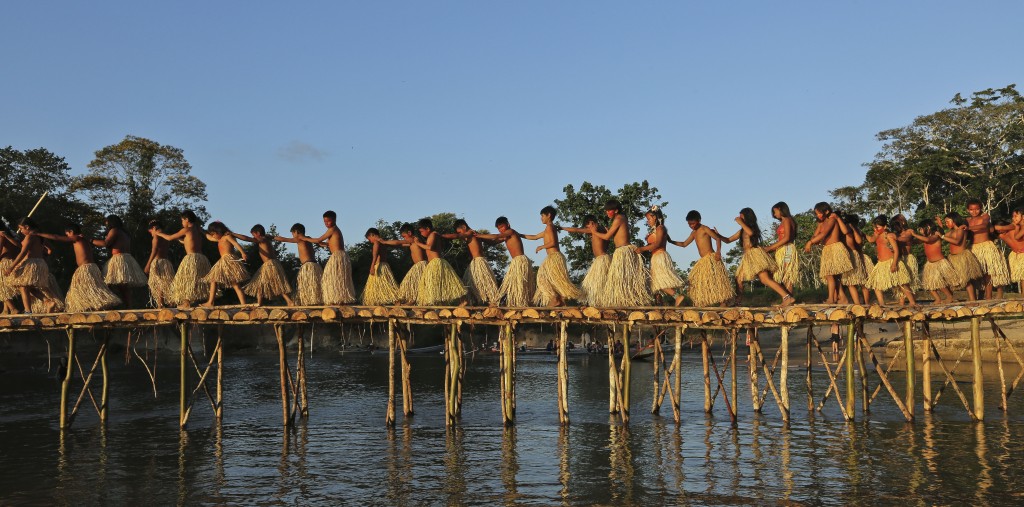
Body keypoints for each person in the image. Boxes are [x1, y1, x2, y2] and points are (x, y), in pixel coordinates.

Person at [35, 223, 122, 313]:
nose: (67, 236)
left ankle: (99, 306)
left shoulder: (77, 238)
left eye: (67, 234)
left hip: (86, 269)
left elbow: (56, 237)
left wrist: (38, 234)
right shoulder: (82, 239)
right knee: (87, 289)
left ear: (71, 232)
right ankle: (95, 306)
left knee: (80, 290)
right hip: (89, 268)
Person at [723, 208, 794, 306]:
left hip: (755, 255)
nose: (739, 218)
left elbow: (750, 233)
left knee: (765, 279)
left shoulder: (751, 228)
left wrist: (740, 223)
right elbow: (728, 240)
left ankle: (787, 297)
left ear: (747, 216)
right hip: (747, 257)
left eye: (741, 216)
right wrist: (716, 235)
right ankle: (737, 302)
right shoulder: (742, 230)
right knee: (738, 278)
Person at [589, 199, 652, 307]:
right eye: (606, 211)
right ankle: (625, 302)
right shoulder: (621, 218)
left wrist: (594, 232)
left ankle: (626, 303)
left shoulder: (619, 218)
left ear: (616, 210)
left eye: (609, 210)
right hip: (621, 251)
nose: (607, 213)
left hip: (623, 252)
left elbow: (607, 236)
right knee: (620, 281)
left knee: (621, 281)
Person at [670, 210, 735, 307]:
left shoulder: (705, 229)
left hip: (711, 258)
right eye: (689, 224)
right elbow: (684, 244)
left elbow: (717, 238)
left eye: (693, 223)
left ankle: (724, 302)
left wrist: (718, 252)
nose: (691, 226)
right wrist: (671, 241)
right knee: (697, 281)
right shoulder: (693, 233)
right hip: (703, 261)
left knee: (717, 281)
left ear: (699, 220)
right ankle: (702, 302)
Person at [522, 206, 581, 307]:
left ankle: (555, 298)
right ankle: (560, 302)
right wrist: (519, 235)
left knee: (541, 278)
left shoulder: (550, 227)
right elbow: (535, 237)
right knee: (555, 282)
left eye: (542, 216)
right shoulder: (548, 228)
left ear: (549, 215)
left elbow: (553, 242)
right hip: (553, 258)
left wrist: (542, 247)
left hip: (554, 257)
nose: (541, 218)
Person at [155, 210, 211, 307]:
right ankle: (192, 301)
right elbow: (187, 241)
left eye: (182, 220)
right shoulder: (198, 229)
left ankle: (186, 303)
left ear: (187, 219)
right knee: (193, 280)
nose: (182, 223)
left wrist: (159, 233)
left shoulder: (186, 230)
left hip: (191, 258)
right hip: (202, 258)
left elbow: (169, 238)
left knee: (184, 279)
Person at [475, 217, 535, 306]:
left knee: (519, 284)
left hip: (520, 261)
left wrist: (479, 235)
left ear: (508, 224)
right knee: (512, 284)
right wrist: (480, 238)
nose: (501, 230)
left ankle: (521, 304)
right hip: (516, 262)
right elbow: (492, 242)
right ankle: (514, 303)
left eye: (502, 227)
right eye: (499, 228)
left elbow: (496, 236)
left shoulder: (511, 232)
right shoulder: (506, 236)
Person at [4, 218, 60, 313]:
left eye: (22, 229)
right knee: (28, 287)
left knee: (22, 286)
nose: (21, 231)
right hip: (40, 262)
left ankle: (28, 311)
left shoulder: (30, 236)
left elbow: (23, 252)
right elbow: (50, 249)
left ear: (27, 227)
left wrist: (11, 267)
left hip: (31, 263)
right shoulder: (40, 236)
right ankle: (47, 302)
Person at [92, 214, 147, 308]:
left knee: (107, 283)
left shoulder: (114, 230)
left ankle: (109, 305)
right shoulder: (125, 233)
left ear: (111, 222)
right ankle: (128, 307)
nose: (106, 225)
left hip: (119, 259)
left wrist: (91, 240)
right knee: (123, 287)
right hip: (127, 259)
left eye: (107, 223)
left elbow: (106, 243)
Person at [302, 210, 356, 305]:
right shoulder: (333, 230)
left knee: (333, 278)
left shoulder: (333, 229)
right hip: (337, 256)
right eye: (325, 222)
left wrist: (305, 238)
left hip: (338, 256)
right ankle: (338, 299)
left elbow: (319, 239)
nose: (326, 224)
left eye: (328, 221)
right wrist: (322, 244)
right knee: (333, 278)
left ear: (334, 219)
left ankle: (340, 299)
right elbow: (329, 244)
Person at [233, 224, 295, 306]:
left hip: (270, 264)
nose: (254, 237)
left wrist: (233, 234)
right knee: (260, 284)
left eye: (254, 235)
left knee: (277, 283)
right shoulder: (266, 238)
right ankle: (259, 303)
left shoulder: (262, 239)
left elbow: (247, 239)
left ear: (258, 233)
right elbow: (278, 238)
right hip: (269, 264)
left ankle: (289, 301)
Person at [804, 202, 853, 304]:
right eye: (816, 214)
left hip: (835, 248)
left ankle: (831, 298)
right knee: (831, 276)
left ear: (826, 211)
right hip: (827, 250)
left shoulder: (832, 220)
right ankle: (842, 297)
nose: (818, 216)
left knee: (830, 274)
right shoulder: (821, 223)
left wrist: (811, 242)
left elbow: (824, 233)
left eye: (819, 213)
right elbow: (816, 235)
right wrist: (813, 240)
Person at [636, 206, 685, 306]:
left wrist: (641, 249)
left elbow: (658, 244)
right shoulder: (657, 229)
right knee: (655, 283)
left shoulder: (660, 228)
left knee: (658, 281)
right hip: (655, 257)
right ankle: (659, 303)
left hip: (660, 257)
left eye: (649, 219)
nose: (648, 221)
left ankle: (677, 296)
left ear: (654, 217)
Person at [444, 219, 499, 305]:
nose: (460, 234)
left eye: (460, 232)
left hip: (479, 261)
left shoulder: (470, 233)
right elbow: (491, 243)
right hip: (475, 262)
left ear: (464, 227)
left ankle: (492, 301)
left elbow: (456, 236)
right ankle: (474, 302)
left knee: (484, 283)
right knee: (468, 282)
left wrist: (442, 236)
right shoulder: (476, 234)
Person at [412, 218, 466, 305]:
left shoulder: (433, 234)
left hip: (436, 262)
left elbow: (429, 247)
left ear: (428, 229)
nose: (421, 233)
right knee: (438, 283)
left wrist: (418, 243)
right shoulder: (433, 235)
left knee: (446, 282)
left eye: (422, 231)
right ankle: (441, 303)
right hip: (434, 263)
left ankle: (463, 300)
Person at [865, 215, 917, 306]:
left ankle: (912, 302)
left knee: (903, 282)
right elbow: (871, 240)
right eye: (874, 227)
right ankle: (882, 304)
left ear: (885, 226)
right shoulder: (877, 235)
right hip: (881, 264)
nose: (875, 229)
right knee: (876, 285)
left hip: (891, 261)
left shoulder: (889, 235)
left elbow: (896, 251)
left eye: (877, 227)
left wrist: (894, 264)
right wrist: (862, 233)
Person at [560, 214, 610, 307]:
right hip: (600, 260)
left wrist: (562, 228)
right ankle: (599, 302)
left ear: (591, 222)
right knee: (598, 284)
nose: (587, 228)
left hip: (601, 260)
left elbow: (576, 230)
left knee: (595, 285)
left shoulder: (596, 230)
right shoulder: (601, 230)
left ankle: (599, 303)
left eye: (587, 225)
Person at [966, 199, 1010, 299]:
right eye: (972, 209)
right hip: (974, 248)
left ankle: (989, 296)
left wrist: (968, 228)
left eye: (977, 209)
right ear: (968, 210)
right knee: (978, 273)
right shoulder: (967, 220)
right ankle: (980, 295)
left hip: (986, 247)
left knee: (988, 272)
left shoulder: (985, 216)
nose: (974, 211)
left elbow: (984, 225)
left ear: (980, 208)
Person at [374, 223, 426, 305]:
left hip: (420, 265)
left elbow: (398, 242)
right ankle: (411, 301)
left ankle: (412, 302)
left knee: (410, 283)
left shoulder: (413, 239)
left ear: (409, 233)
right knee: (412, 284)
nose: (404, 238)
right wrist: (387, 244)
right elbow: (401, 244)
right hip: (418, 266)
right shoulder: (413, 241)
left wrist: (384, 242)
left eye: (404, 236)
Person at [910, 219, 961, 303]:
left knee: (939, 283)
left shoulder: (936, 236)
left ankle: (949, 297)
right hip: (930, 264)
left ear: (928, 227)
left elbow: (928, 240)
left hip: (939, 263)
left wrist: (914, 234)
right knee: (929, 284)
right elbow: (915, 242)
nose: (920, 231)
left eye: (921, 229)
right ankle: (938, 299)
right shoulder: (924, 238)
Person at [200, 221, 250, 307]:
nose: (213, 236)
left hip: (229, 260)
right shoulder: (219, 238)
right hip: (223, 261)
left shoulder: (227, 236)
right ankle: (210, 302)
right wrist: (200, 229)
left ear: (218, 232)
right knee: (213, 279)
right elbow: (209, 238)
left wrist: (243, 253)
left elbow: (235, 243)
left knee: (236, 285)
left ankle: (244, 305)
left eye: (213, 234)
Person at [274, 223, 323, 306]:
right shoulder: (308, 238)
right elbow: (320, 244)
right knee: (315, 287)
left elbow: (284, 239)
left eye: (293, 233)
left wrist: (272, 237)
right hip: (315, 266)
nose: (293, 236)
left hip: (308, 266)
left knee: (308, 287)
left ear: (296, 232)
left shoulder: (299, 238)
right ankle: (316, 302)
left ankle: (310, 303)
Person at [940, 212, 982, 301]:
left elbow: (957, 241)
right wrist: (940, 228)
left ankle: (972, 300)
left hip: (961, 257)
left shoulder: (960, 230)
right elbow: (941, 236)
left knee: (966, 280)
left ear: (954, 220)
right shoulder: (951, 232)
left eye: (948, 221)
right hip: (953, 258)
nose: (946, 224)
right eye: (945, 222)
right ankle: (950, 297)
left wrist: (942, 236)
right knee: (955, 279)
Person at [763, 202, 799, 294]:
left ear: (780, 209)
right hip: (782, 249)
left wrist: (770, 247)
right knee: (781, 273)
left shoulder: (787, 220)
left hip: (787, 249)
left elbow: (786, 238)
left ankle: (789, 297)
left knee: (787, 273)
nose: (774, 214)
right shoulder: (784, 221)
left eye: (775, 211)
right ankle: (787, 297)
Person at [361, 228, 400, 306]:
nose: (370, 241)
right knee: (387, 284)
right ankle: (393, 301)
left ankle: (395, 301)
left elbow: (375, 256)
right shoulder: (383, 242)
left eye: (369, 239)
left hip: (379, 266)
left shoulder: (376, 243)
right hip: (385, 265)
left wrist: (372, 266)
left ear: (372, 235)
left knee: (383, 285)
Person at [143, 220, 175, 308]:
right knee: (165, 283)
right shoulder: (165, 235)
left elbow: (154, 250)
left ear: (153, 228)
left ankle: (160, 305)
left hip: (158, 262)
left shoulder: (157, 236)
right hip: (166, 262)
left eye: (150, 232)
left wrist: (148, 264)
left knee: (159, 283)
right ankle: (165, 303)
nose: (151, 234)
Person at [996, 209, 1024, 293]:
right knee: (1022, 278)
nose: (1013, 218)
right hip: (1019, 253)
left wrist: (1016, 227)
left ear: (1023, 217)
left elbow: (1017, 237)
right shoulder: (1018, 226)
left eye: (1016, 216)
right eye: (1012, 216)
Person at [0, 220, 22, 314]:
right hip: (12, 262)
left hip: (5, 263)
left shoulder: (1, 235)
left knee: (1, 288)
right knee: (5, 288)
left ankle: (13, 309)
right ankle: (6, 310)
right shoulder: (10, 235)